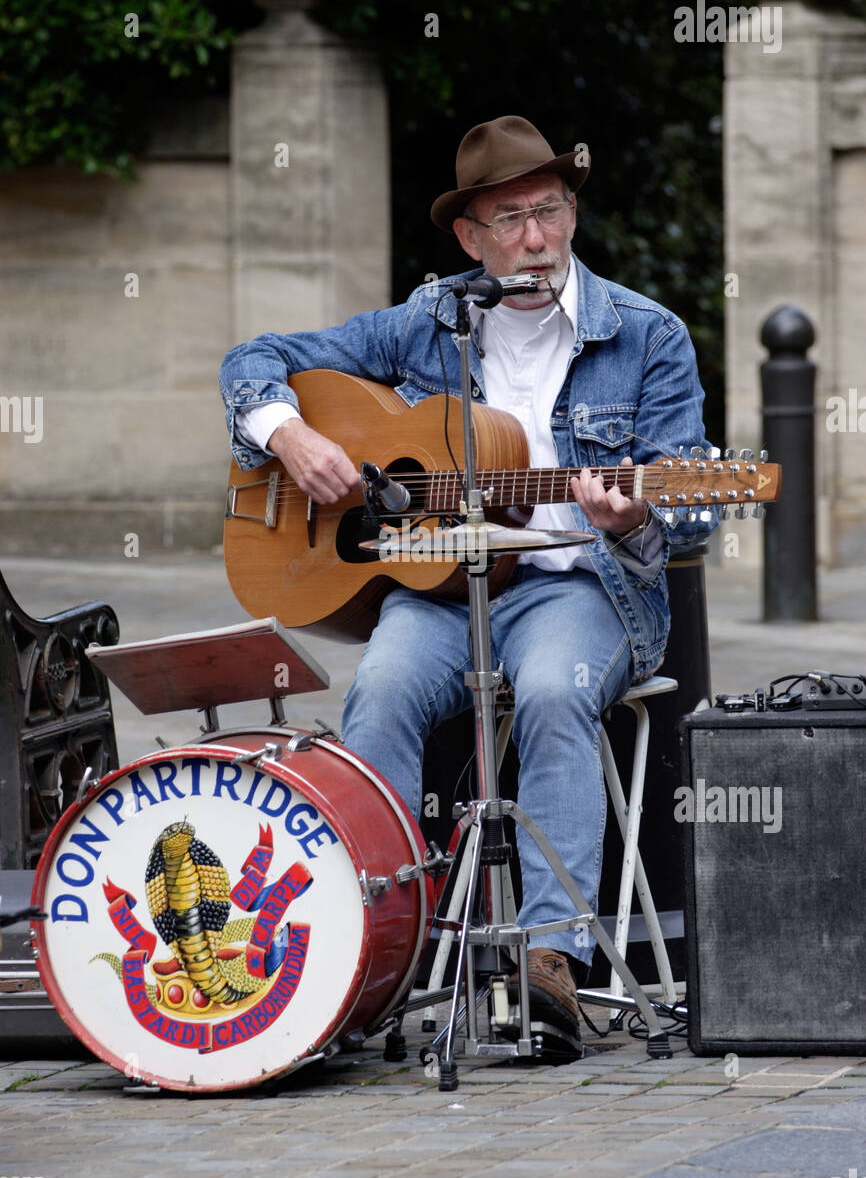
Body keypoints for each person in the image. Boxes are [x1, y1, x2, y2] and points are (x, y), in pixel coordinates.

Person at [220, 114, 717, 1044]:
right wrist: (290, 435)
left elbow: (697, 500)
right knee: (379, 693)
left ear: (571, 209)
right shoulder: (427, 319)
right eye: (511, 219)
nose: (535, 239)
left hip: (582, 589)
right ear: (469, 236)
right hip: (447, 590)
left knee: (553, 692)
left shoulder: (646, 334)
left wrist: (639, 512)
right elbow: (253, 360)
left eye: (550, 210)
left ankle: (549, 964)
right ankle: (370, 953)